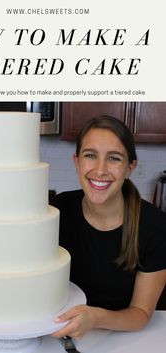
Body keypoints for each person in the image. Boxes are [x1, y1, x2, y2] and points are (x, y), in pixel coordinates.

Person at [51, 115, 166, 340]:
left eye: (114, 158)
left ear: (130, 167)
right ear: (76, 162)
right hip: (56, 331)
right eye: (90, 155)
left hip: (118, 337)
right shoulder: (56, 211)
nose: (100, 170)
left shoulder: (156, 228)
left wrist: (95, 318)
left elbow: (141, 313)